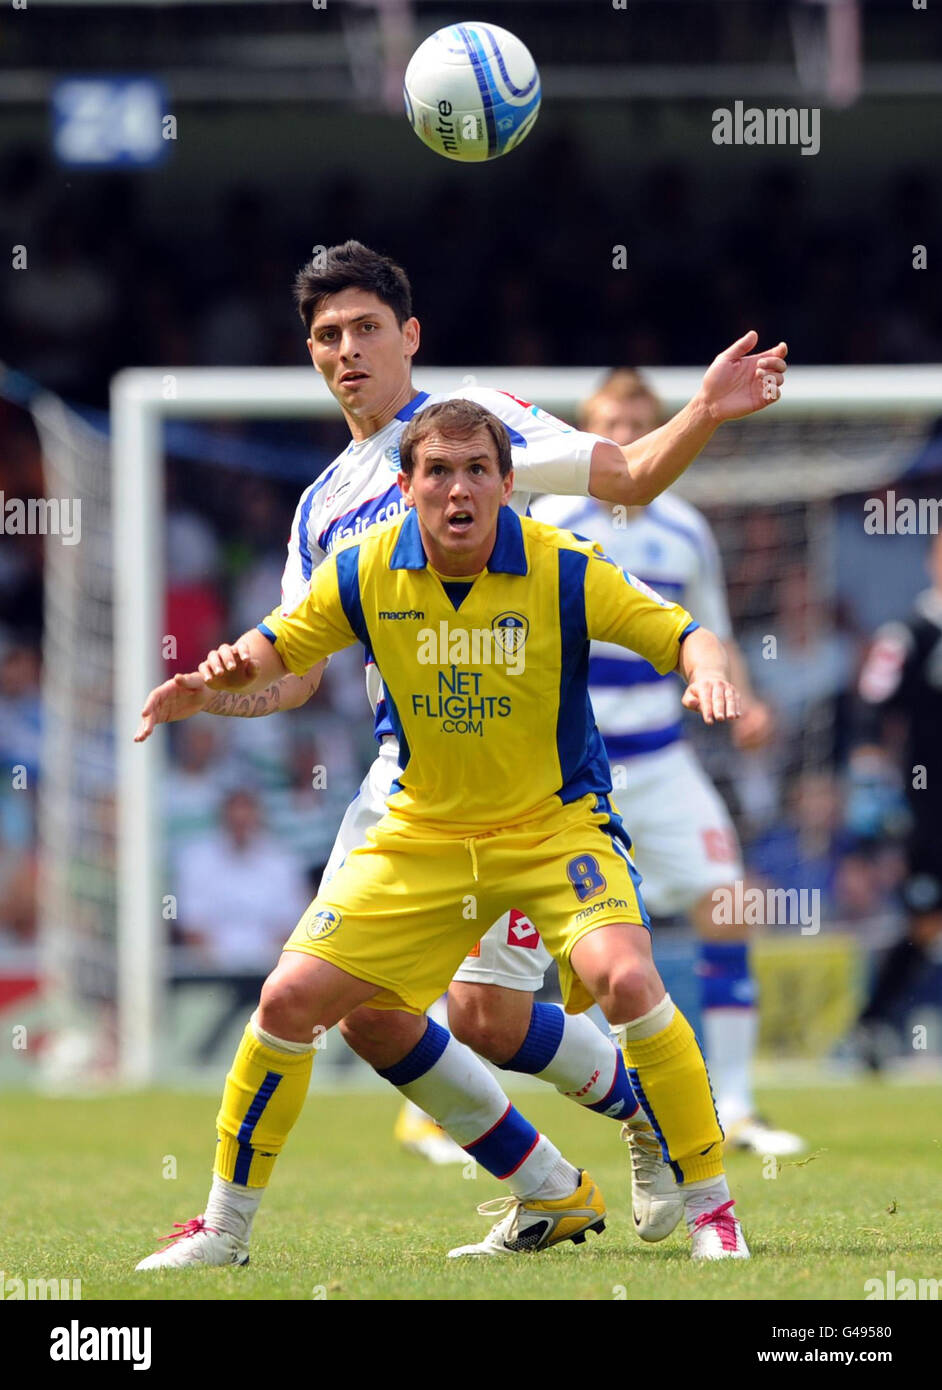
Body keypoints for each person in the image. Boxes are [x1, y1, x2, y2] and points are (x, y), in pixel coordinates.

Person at [136, 241, 787, 1250]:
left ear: (412, 336)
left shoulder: (481, 425)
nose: (346, 351)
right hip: (405, 786)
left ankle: (653, 1129)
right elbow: (295, 674)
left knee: (489, 1013)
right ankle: (556, 1186)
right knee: (366, 1011)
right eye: (325, 335)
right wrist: (217, 696)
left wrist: (701, 411)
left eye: (365, 328)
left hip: (528, 784)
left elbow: (628, 477)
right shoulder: (321, 510)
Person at [526, 370, 804, 1153]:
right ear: (586, 431)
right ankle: (593, 1108)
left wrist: (742, 702)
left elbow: (708, 630)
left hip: (663, 762)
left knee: (730, 903)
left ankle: (738, 1104)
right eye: (612, 419)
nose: (627, 430)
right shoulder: (550, 518)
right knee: (539, 939)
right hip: (571, 773)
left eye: (641, 419)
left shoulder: (685, 529)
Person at [853, 531, 942, 1066]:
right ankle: (874, 1023)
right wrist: (867, 771)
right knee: (924, 920)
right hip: (929, 808)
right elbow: (870, 705)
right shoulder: (910, 634)